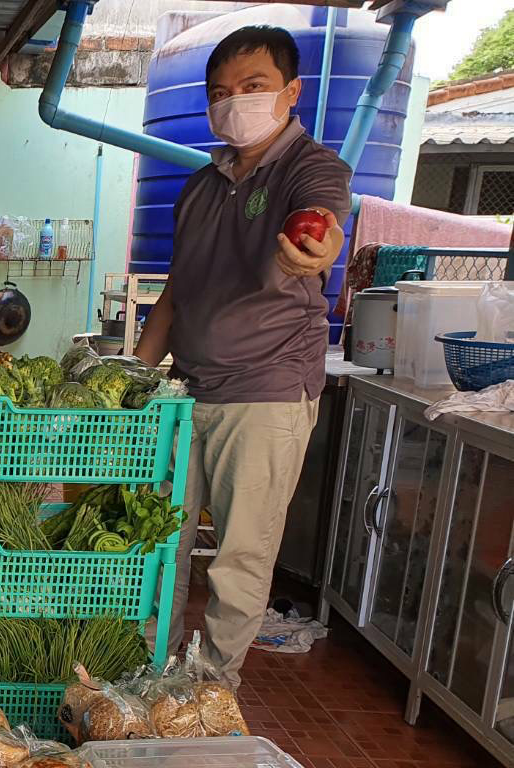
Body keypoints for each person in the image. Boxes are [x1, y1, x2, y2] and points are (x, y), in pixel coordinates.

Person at [135, 25, 351, 686]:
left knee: (237, 557)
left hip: (264, 393)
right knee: (156, 546)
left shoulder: (309, 167)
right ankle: (148, 674)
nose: (234, 102)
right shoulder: (200, 186)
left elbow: (322, 223)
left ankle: (205, 695)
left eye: (252, 88)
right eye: (220, 92)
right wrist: (135, 383)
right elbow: (176, 291)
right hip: (187, 393)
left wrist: (313, 246)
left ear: (290, 91)